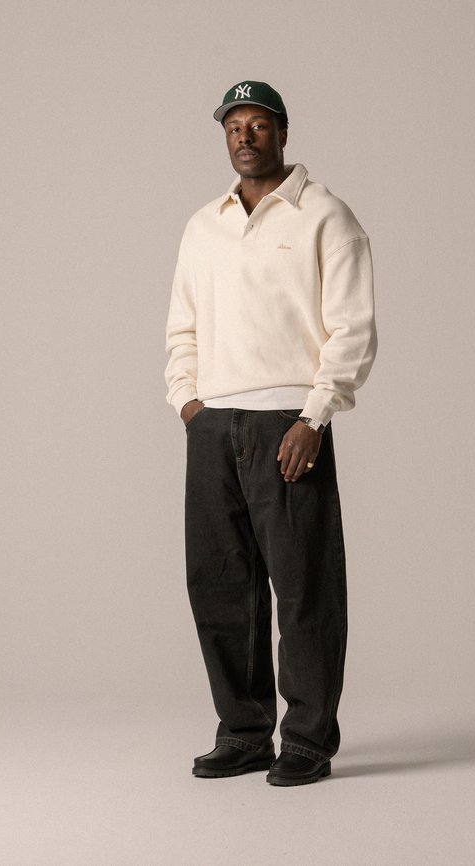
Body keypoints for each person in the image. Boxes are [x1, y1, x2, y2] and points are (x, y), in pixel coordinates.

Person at [165, 80, 377, 786]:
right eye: (234, 127)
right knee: (220, 584)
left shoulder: (326, 216)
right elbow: (183, 325)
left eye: (258, 124)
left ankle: (308, 741)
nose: (245, 137)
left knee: (304, 586)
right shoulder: (204, 225)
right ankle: (244, 732)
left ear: (283, 131)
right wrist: (189, 405)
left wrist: (314, 416)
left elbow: (352, 329)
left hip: (289, 421)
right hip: (213, 424)